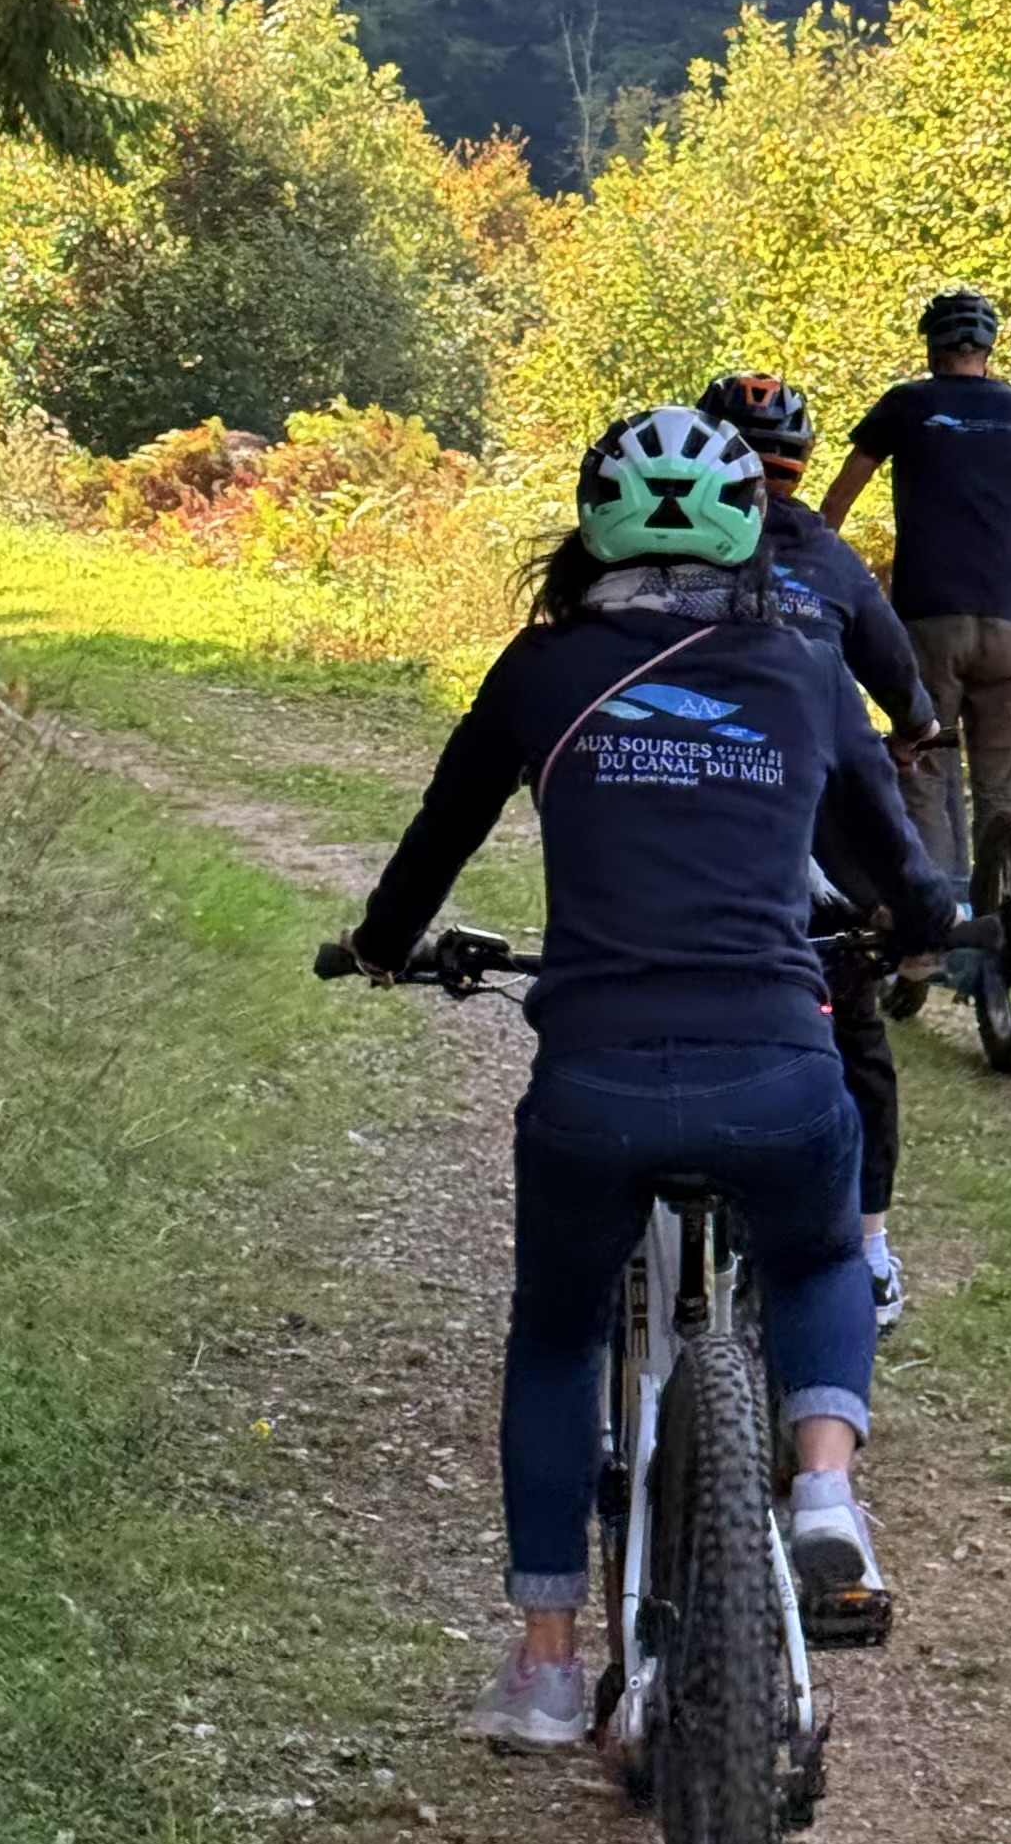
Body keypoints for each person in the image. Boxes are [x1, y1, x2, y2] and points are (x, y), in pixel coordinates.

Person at [336, 400, 956, 1752]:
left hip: (594, 1088)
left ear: (587, 522)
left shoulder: (541, 667)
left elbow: (437, 840)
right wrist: (929, 930)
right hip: (780, 1077)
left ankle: (551, 1664)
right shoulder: (802, 669)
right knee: (813, 1258)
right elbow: (899, 866)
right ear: (756, 529)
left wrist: (383, 949)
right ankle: (826, 1493)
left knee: (558, 1331)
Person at [700, 370, 940, 1331]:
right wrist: (913, 728)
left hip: (709, 807)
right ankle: (872, 1248)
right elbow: (907, 697)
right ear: (803, 463)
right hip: (826, 821)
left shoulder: (671, 551)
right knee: (855, 1033)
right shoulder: (834, 562)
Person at [818, 290, 1011, 884]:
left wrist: (815, 566)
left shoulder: (905, 405)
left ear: (931, 347)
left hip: (927, 625)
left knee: (926, 768)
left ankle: (942, 916)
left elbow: (839, 498)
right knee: (1003, 791)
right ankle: (1006, 918)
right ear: (989, 350)